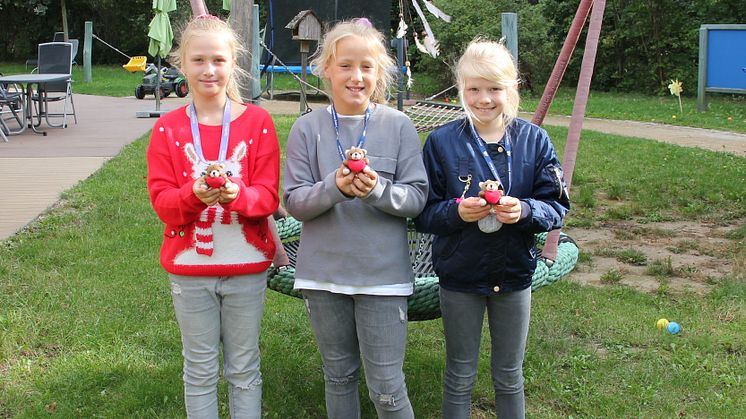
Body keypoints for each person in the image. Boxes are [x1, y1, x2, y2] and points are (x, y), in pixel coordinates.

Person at [414, 39, 571, 419]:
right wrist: (456, 212)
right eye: (474, 89)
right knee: (459, 374)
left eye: (495, 89)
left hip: (514, 274)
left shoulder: (534, 140)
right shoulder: (441, 142)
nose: (484, 99)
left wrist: (526, 210)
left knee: (509, 374)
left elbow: (557, 207)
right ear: (460, 90)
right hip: (460, 276)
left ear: (512, 88)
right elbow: (424, 213)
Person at [283, 18, 428, 419]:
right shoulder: (306, 129)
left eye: (367, 67)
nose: (356, 76)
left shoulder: (398, 126)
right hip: (323, 276)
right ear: (325, 68)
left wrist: (377, 190)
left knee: (387, 386)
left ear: (379, 73)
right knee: (340, 377)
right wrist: (335, 188)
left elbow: (416, 198)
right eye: (345, 65)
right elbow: (294, 202)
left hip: (383, 278)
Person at [146, 14, 280, 419]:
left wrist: (237, 194)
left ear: (233, 63)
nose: (209, 70)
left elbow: (268, 198)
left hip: (246, 267)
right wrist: (195, 195)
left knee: (243, 366)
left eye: (219, 60)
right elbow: (163, 202)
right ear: (181, 64)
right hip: (190, 272)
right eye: (199, 60)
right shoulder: (168, 130)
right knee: (200, 368)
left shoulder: (258, 123)